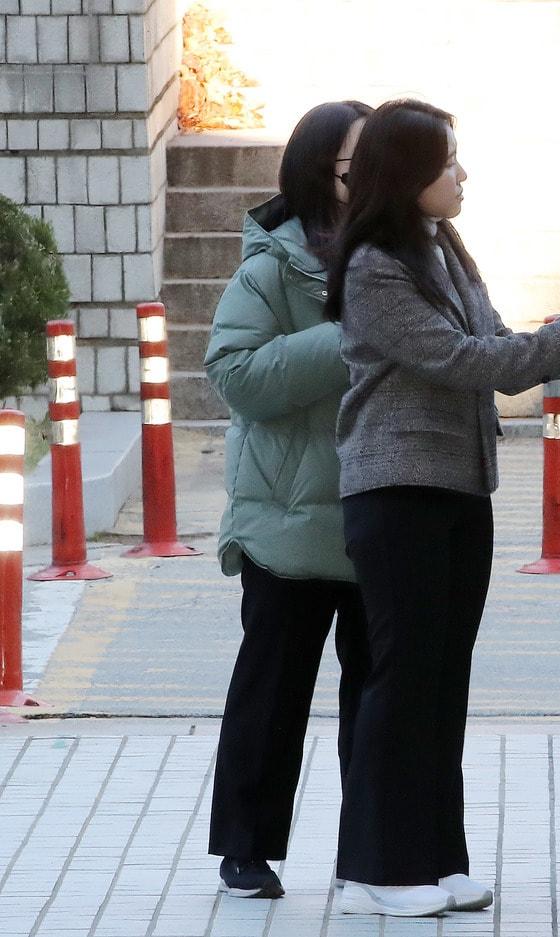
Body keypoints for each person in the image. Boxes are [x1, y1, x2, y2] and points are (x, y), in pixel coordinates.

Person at [327, 98, 560, 918]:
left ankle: (435, 857)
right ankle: (378, 870)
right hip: (396, 490)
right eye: (447, 163)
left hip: (459, 485)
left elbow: (495, 336)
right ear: (407, 175)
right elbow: (462, 359)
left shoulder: (442, 244)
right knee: (401, 677)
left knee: (441, 676)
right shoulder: (372, 265)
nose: (462, 175)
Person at [204, 100, 374, 901]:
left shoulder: (413, 253)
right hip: (288, 518)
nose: (373, 180)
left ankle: (375, 852)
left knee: (379, 699)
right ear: (317, 173)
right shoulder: (269, 266)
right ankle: (245, 847)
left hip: (385, 509)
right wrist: (348, 334)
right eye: (355, 166)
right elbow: (237, 375)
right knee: (273, 693)